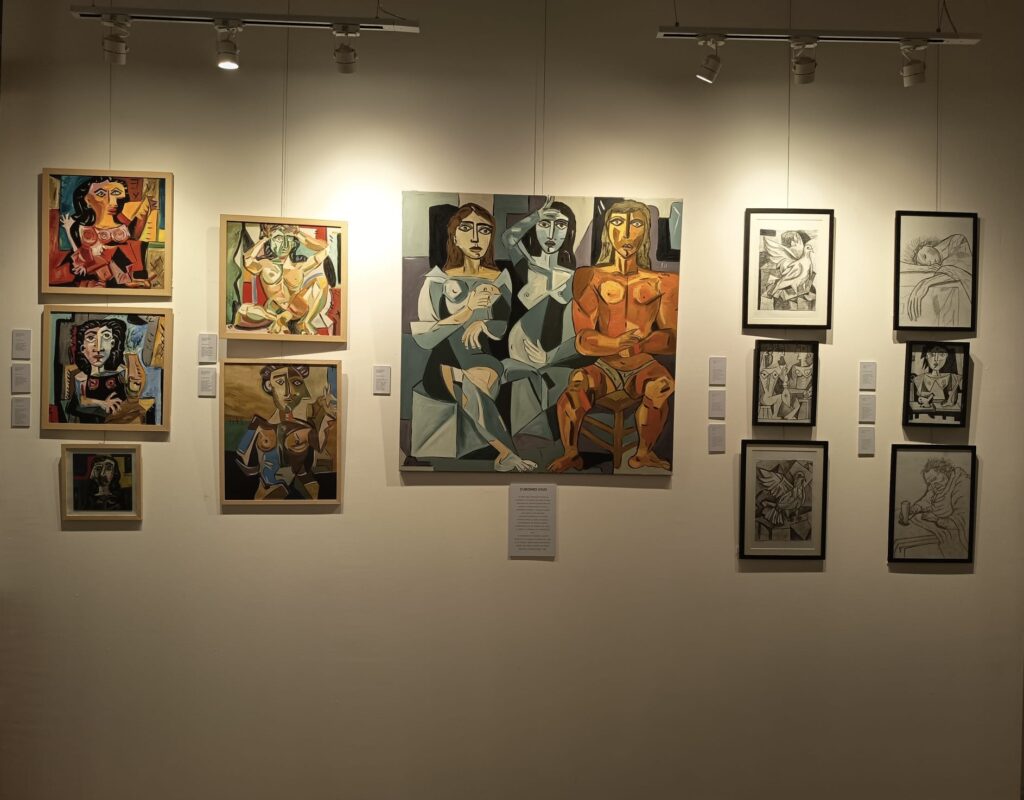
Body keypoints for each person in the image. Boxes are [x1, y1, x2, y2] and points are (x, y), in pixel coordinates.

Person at [548, 200, 678, 472]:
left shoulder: (665, 282)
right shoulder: (588, 277)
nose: (626, 233)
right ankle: (571, 453)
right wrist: (616, 344)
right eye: (618, 223)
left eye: (636, 224)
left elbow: (672, 339)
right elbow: (583, 341)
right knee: (576, 387)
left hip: (644, 365)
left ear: (647, 231)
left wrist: (640, 345)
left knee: (662, 385)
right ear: (607, 230)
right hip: (604, 366)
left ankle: (643, 453)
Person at [411, 203, 537, 472]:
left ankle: (503, 454)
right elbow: (425, 337)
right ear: (454, 237)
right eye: (466, 228)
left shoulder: (500, 278)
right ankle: (506, 453)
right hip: (444, 361)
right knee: (471, 385)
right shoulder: (437, 280)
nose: (476, 238)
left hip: (483, 358)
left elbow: (501, 327)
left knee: (478, 381)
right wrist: (467, 310)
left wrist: (483, 323)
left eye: (485, 230)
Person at [500, 197, 585, 419]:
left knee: (554, 416)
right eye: (545, 224)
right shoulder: (527, 267)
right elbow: (508, 238)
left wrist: (551, 357)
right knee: (524, 417)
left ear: (569, 231)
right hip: (519, 354)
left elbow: (573, 329)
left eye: (561, 225)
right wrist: (537, 214)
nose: (551, 234)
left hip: (552, 358)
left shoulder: (575, 279)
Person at [235, 364, 336, 500]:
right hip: (267, 494)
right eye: (280, 382)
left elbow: (315, 451)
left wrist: (328, 416)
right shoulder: (258, 427)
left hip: (301, 493)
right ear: (269, 386)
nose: (289, 392)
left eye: (296, 383)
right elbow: (248, 468)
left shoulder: (303, 428)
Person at [52, 176, 157, 289]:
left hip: (124, 277)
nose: (113, 202)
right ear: (87, 199)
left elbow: (136, 240)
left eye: (116, 193)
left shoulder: (124, 225)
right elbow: (80, 255)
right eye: (101, 194)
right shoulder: (82, 229)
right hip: (98, 278)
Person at [233, 224, 334, 335]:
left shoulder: (299, 266)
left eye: (289, 239)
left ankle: (304, 322)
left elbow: (325, 249)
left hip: (297, 309)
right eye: (279, 239)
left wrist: (297, 233)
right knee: (244, 310)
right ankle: (281, 320)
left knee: (321, 281)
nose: (284, 244)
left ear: (294, 242)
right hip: (274, 310)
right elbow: (247, 259)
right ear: (270, 241)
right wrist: (265, 238)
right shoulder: (264, 264)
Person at [895, 457, 971, 558]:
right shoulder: (936, 486)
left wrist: (937, 519)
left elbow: (962, 521)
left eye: (934, 479)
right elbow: (926, 501)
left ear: (945, 471)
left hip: (953, 532)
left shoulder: (962, 484)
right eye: (929, 483)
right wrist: (913, 509)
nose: (933, 485)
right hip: (935, 526)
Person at [901, 233, 973, 326]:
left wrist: (925, 283)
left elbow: (960, 270)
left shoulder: (957, 240)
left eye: (924, 256)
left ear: (927, 245)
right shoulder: (942, 267)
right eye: (927, 264)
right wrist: (925, 269)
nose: (929, 262)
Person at [909, 344, 962, 417]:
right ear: (926, 356)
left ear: (947, 356)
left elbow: (952, 402)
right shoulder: (920, 378)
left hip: (945, 415)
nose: (936, 359)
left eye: (942, 354)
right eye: (931, 354)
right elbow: (919, 399)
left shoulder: (952, 377)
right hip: (924, 415)